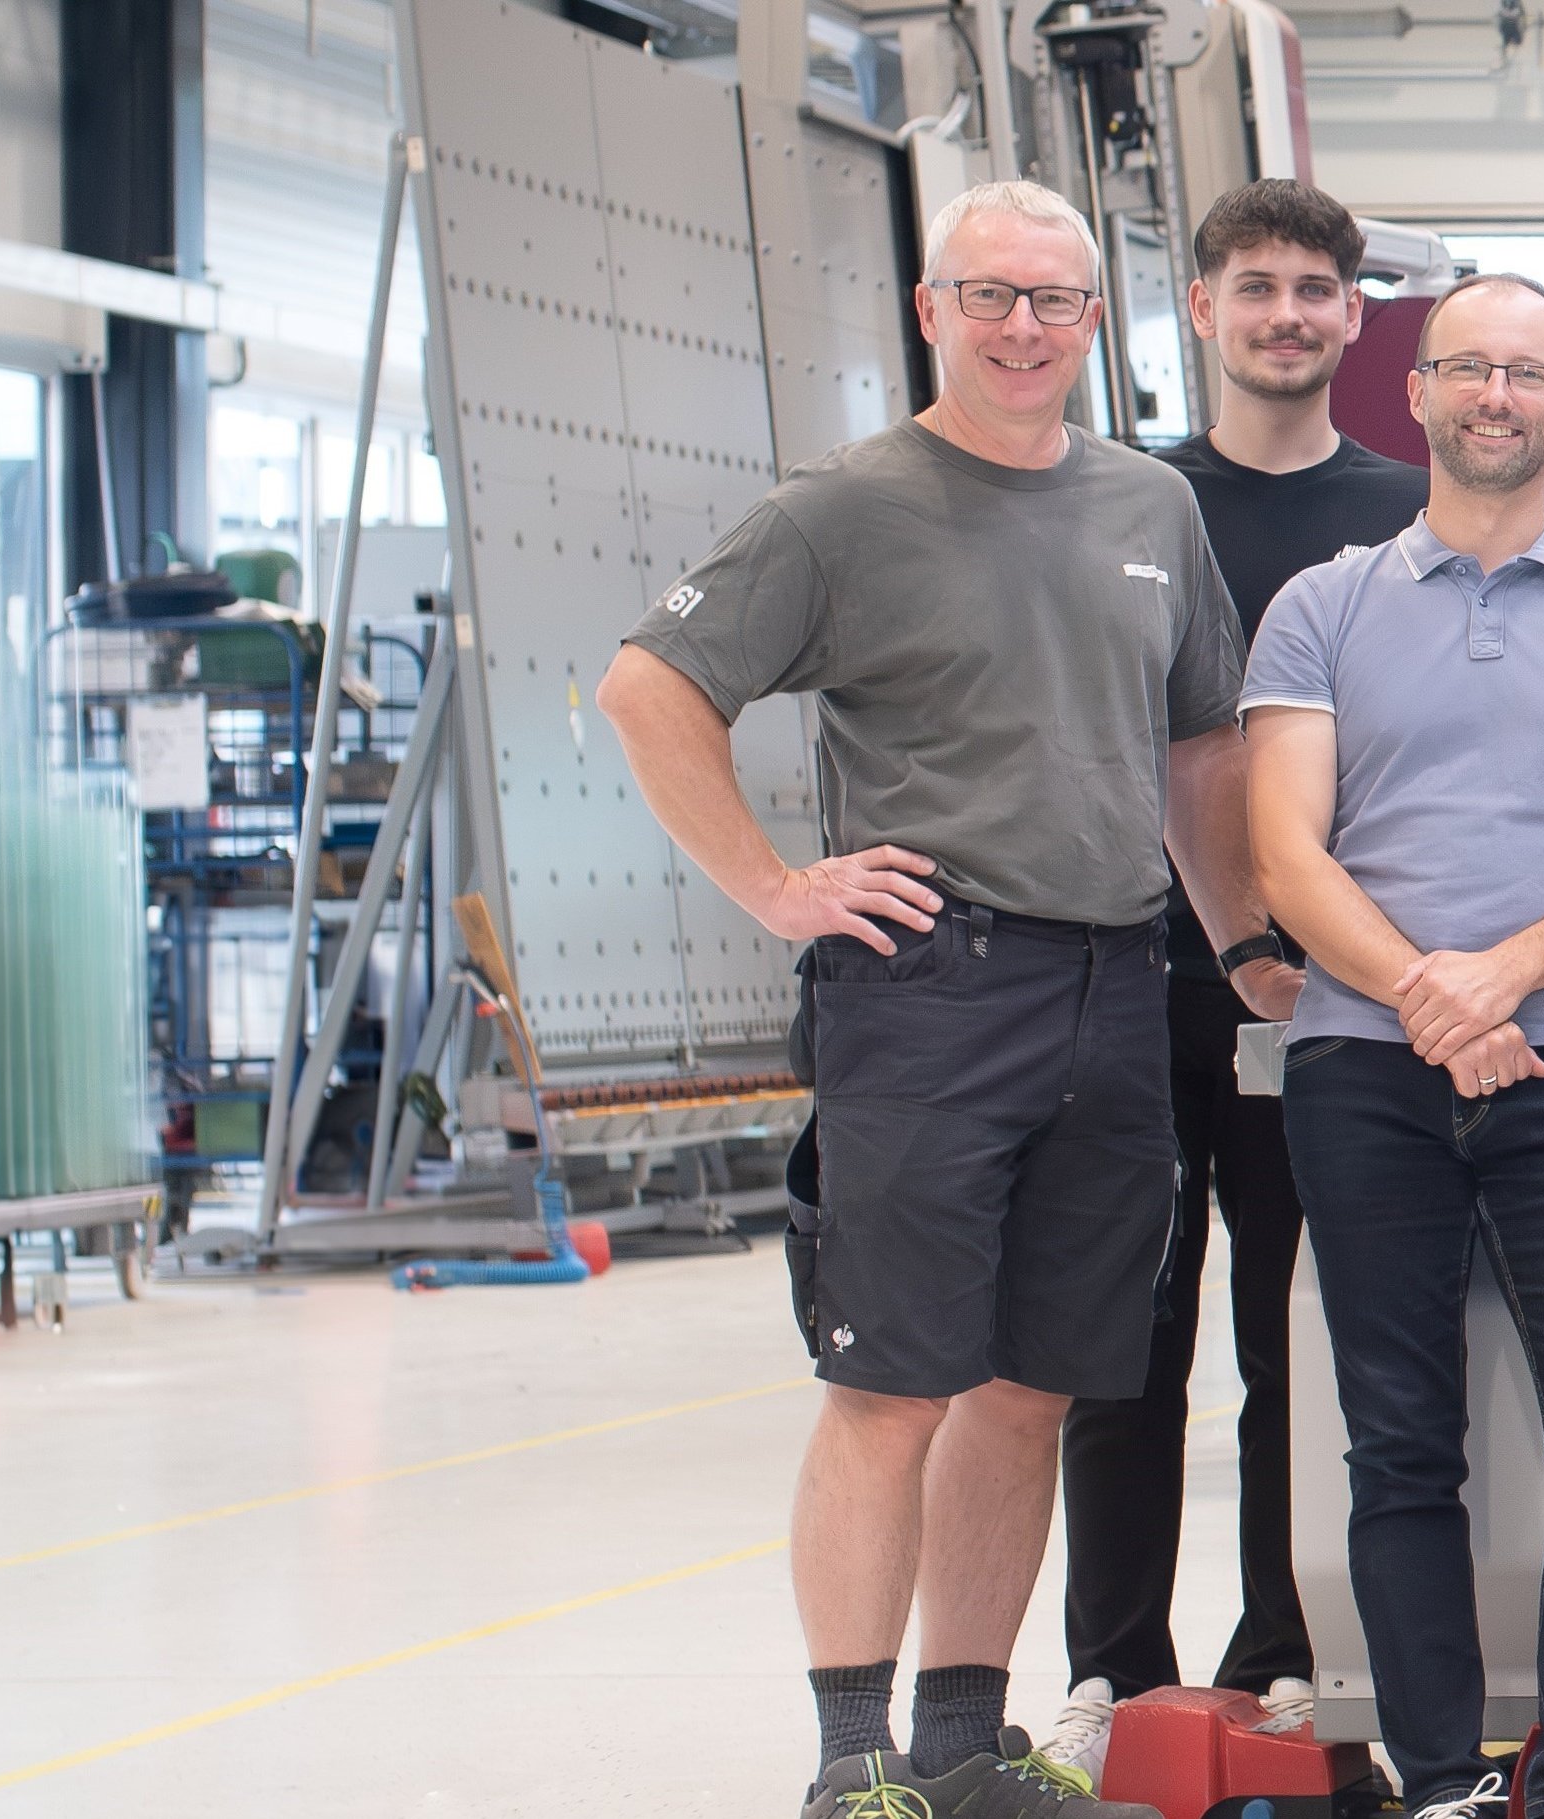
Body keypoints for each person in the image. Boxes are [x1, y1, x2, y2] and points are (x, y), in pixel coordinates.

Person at [602, 179, 1234, 1819]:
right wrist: (774, 885)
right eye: (990, 294)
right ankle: (851, 1761)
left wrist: (1244, 946)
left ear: (1093, 320)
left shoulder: (1151, 506)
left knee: (1031, 1384)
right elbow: (650, 684)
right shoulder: (842, 509)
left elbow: (1197, 752)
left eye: (1054, 298)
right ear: (929, 308)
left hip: (1115, 985)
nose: (1023, 326)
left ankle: (960, 1743)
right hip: (930, 990)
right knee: (889, 1385)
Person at [1230, 274, 1544, 1819]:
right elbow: (1286, 853)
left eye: (1526, 372)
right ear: (1418, 393)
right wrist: (1426, 996)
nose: (1495, 395)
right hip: (1362, 1073)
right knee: (1397, 1440)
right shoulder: (1319, 606)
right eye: (1468, 368)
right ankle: (1439, 1778)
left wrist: (1499, 978)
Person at [1052, 177, 1415, 1747]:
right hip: (1126, 977)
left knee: (1292, 1338)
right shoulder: (1118, 502)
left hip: (1320, 988)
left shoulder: (1409, 514)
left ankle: (1285, 1642)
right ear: (1199, 309)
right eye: (1254, 286)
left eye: (1313, 288)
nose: (1285, 313)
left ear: (1354, 316)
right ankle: (1115, 1668)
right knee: (1119, 1343)